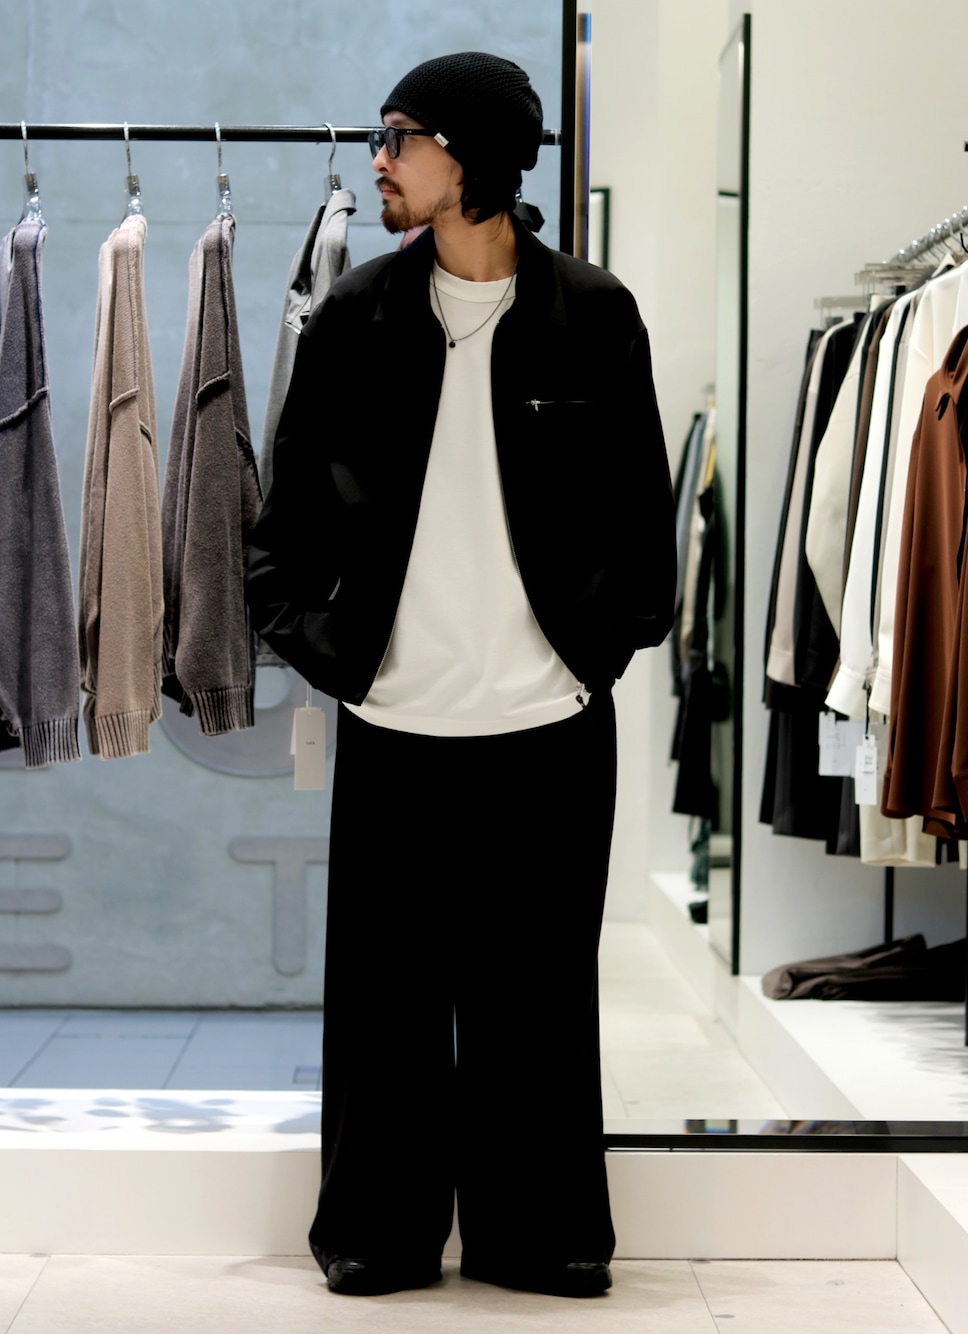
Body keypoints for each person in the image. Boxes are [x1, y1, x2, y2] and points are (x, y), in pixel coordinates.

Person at [246, 51, 676, 1300]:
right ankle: (376, 1232)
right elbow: (280, 530)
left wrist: (595, 650)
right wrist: (334, 656)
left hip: (549, 720)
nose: (377, 159)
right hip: (397, 719)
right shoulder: (357, 313)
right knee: (384, 1002)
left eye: (400, 135)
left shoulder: (593, 312)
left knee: (535, 999)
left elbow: (642, 523)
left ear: (473, 152)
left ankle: (540, 1234)